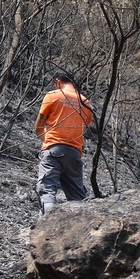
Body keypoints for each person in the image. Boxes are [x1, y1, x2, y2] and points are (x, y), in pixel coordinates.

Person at [34, 72, 94, 216]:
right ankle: (80, 227)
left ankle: (46, 223)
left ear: (58, 81)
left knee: (47, 189)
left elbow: (38, 126)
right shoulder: (85, 102)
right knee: (77, 196)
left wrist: (47, 142)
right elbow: (83, 127)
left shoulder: (53, 95)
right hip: (74, 153)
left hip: (53, 149)